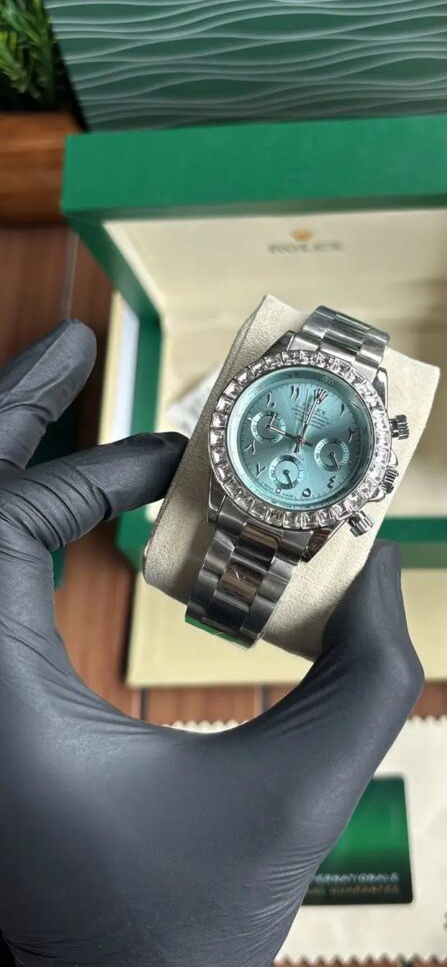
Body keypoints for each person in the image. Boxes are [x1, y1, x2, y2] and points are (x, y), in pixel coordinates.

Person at [0, 321, 423, 967]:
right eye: (286, 429)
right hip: (233, 498)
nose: (300, 442)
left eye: (319, 446)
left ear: (375, 471)